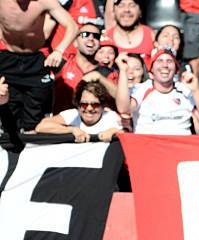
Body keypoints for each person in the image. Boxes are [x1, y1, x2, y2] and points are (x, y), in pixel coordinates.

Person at [0, 0, 78, 132]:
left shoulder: (45, 1)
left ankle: (34, 149)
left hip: (35, 59)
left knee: (35, 119)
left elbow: (72, 26)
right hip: (8, 59)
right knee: (9, 114)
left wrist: (59, 50)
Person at [116, 48, 199, 135]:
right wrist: (123, 71)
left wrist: (196, 90)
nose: (165, 65)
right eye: (159, 61)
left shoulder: (184, 90)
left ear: (176, 70)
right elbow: (124, 109)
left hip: (181, 148)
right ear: (151, 73)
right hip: (148, 148)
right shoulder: (141, 89)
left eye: (169, 61)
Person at [35, 80, 122, 142]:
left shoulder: (111, 116)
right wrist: (72, 130)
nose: (89, 108)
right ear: (78, 104)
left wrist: (114, 131)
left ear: (103, 106)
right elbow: (41, 127)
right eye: (84, 104)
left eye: (95, 104)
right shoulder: (72, 114)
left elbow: (128, 132)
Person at [54, 23, 104, 112]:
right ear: (75, 42)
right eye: (85, 34)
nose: (91, 38)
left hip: (92, 123)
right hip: (61, 123)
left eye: (96, 36)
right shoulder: (60, 63)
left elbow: (122, 101)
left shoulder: (106, 72)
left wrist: (101, 79)